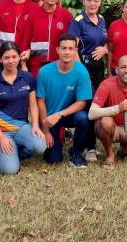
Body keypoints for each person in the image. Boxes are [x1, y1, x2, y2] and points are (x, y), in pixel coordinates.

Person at [0, 41, 48, 174]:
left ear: (19, 57)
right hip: (1, 130)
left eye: (14, 57)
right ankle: (1, 151)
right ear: (0, 59)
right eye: (6, 58)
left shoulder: (28, 77)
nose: (11, 61)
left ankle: (15, 152)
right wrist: (1, 137)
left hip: (21, 127)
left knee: (40, 146)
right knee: (10, 170)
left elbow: (33, 104)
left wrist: (35, 125)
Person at [36, 35, 92, 168]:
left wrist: (60, 114)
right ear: (57, 50)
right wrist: (46, 131)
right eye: (64, 48)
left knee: (83, 118)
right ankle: (54, 146)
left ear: (75, 51)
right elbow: (40, 102)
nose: (67, 52)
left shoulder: (81, 71)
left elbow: (82, 103)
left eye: (70, 49)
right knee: (53, 160)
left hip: (68, 115)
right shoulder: (44, 72)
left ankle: (76, 153)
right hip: (49, 118)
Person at [67, 0, 108, 161]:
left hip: (99, 69)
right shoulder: (78, 21)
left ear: (100, 3)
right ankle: (88, 147)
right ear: (84, 1)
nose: (92, 3)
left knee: (98, 104)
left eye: (96, 1)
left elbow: (106, 42)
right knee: (90, 106)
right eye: (89, 0)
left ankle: (88, 145)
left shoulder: (102, 19)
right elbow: (72, 48)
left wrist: (105, 49)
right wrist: (82, 72)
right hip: (84, 68)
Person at [28, 0, 73, 77]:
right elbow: (26, 39)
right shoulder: (33, 15)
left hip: (59, 63)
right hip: (37, 64)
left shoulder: (66, 15)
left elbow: (71, 41)